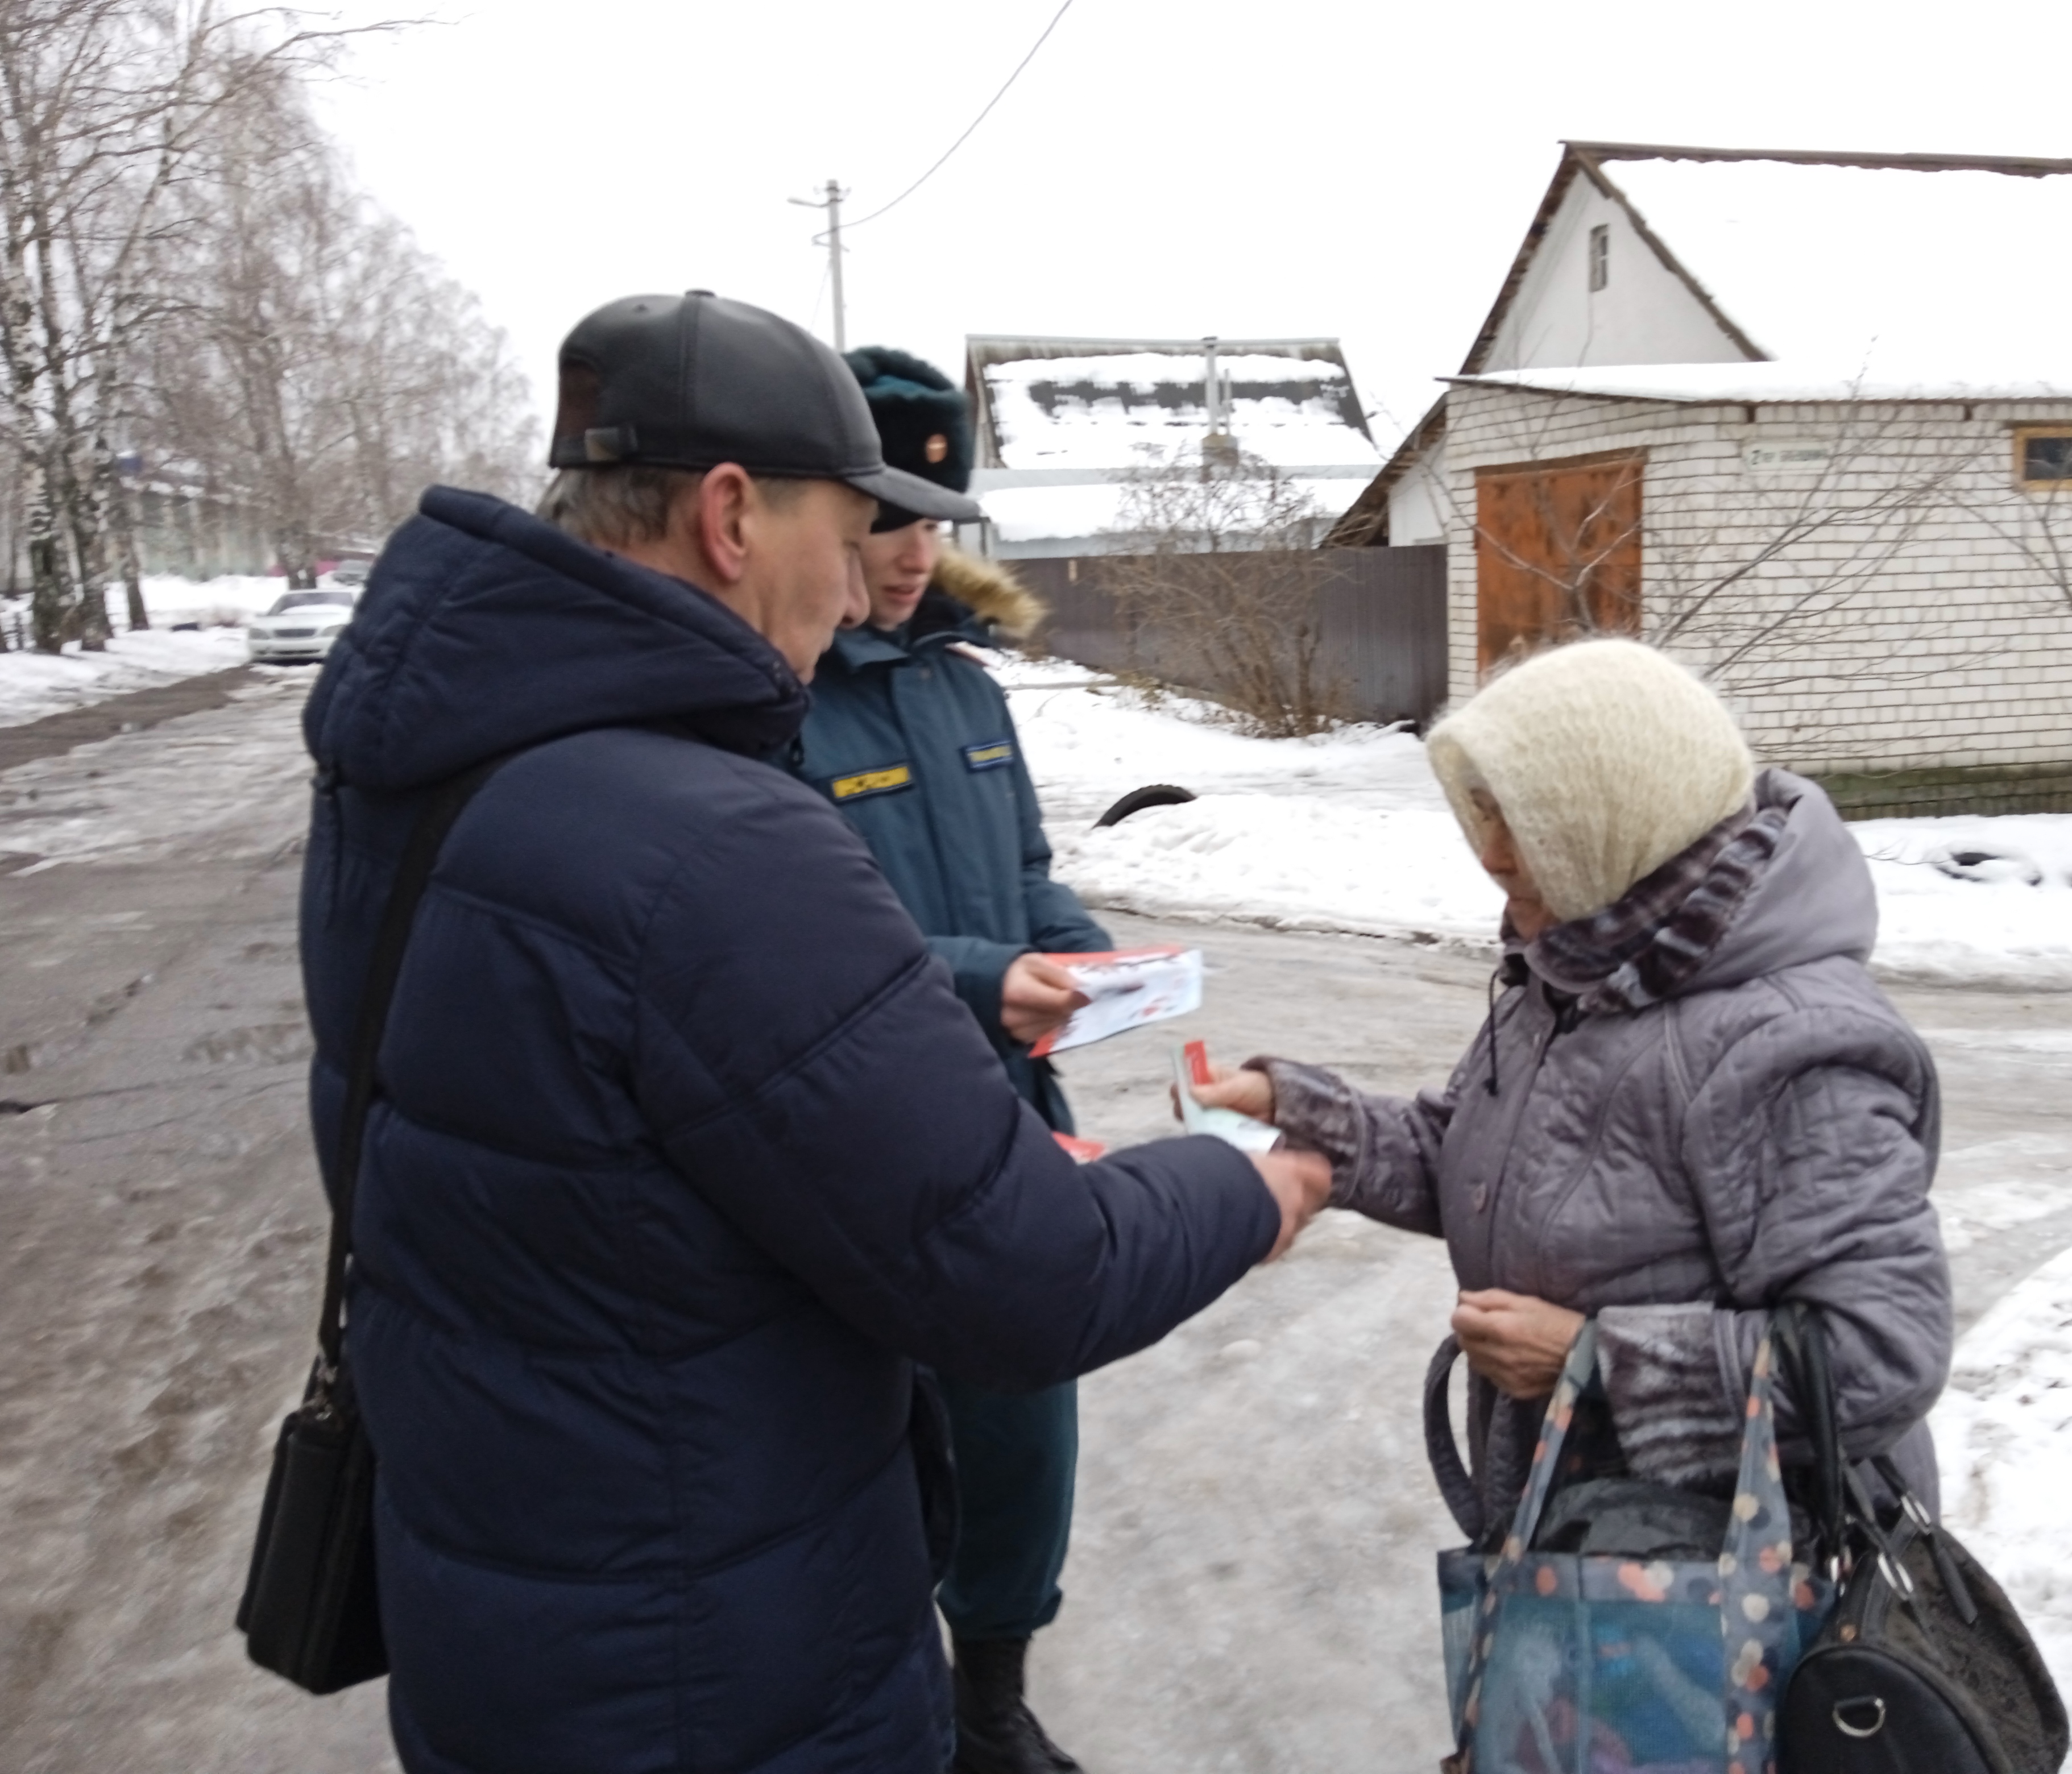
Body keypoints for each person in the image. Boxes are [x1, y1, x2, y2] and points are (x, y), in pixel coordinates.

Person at [297, 291, 1331, 1774]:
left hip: (507, 1603)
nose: (861, 593)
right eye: (845, 540)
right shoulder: (703, 834)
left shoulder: (419, 775)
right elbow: (1031, 1278)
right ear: (731, 517)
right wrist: (1254, 1179)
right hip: (714, 1663)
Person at [1192, 638, 1952, 1547]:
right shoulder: (1584, 963)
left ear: (1619, 816)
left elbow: (1880, 1354)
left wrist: (1596, 1362)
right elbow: (1487, 1163)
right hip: (1596, 1550)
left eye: (1525, 820)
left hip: (1738, 1594)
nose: (1494, 855)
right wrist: (1302, 1115)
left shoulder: (1789, 1045)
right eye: (1482, 814)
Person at [778, 346, 1099, 1774]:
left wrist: (1086, 957)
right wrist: (992, 982)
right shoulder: (775, 696)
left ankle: (988, 1700)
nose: (915, 554)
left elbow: (1025, 877)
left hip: (1006, 1119)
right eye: (889, 517)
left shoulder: (970, 693)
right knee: (851, 1448)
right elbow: (802, 945)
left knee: (1022, 1430)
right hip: (850, 1142)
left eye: (936, 521)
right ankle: (887, 1705)